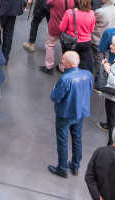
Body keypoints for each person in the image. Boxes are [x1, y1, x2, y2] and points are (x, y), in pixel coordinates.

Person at [47, 51, 93, 179]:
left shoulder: (65, 79)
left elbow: (55, 97)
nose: (61, 62)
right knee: (77, 138)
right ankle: (75, 165)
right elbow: (88, 91)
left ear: (67, 64)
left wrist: (54, 89)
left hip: (65, 114)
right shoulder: (87, 75)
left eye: (62, 61)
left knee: (63, 140)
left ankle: (62, 168)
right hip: (80, 112)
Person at [39, 0, 77, 73]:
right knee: (64, 47)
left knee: (50, 45)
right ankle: (62, 66)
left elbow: (48, 2)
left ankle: (49, 66)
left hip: (55, 26)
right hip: (68, 27)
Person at [94, 0, 115, 73]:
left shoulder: (99, 12)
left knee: (99, 60)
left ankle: (100, 79)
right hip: (114, 39)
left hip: (99, 39)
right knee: (112, 59)